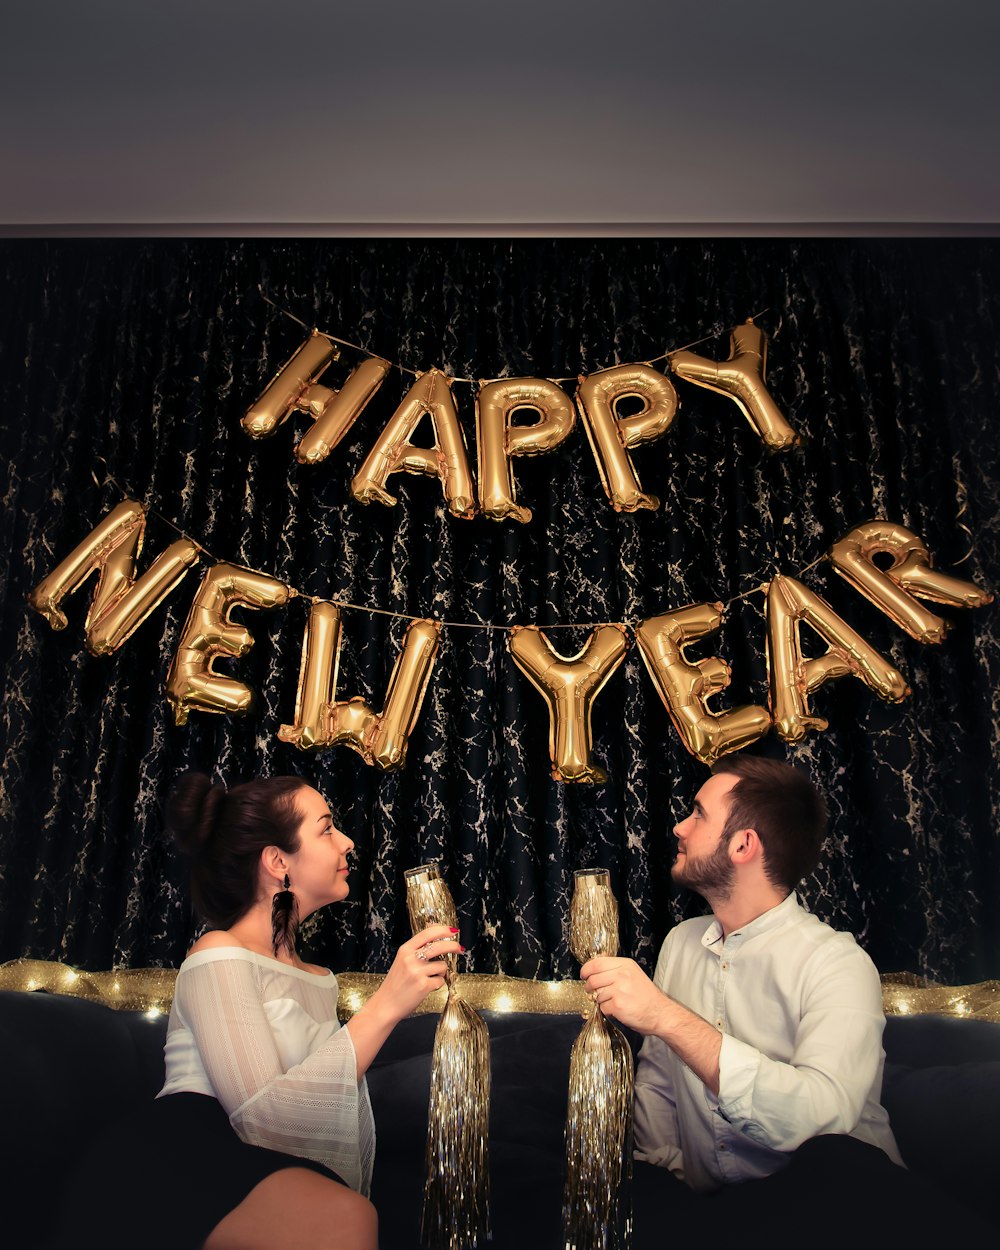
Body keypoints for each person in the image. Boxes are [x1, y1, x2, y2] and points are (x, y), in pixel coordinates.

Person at [48, 772, 461, 1250]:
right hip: (178, 1160)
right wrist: (388, 1003)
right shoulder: (217, 952)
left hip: (265, 1169)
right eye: (326, 828)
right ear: (277, 861)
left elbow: (321, 1117)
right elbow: (263, 1118)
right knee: (344, 1217)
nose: (347, 842)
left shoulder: (320, 979)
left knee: (351, 1213)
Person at [580, 754, 966, 1244]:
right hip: (718, 1213)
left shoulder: (836, 963)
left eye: (698, 813)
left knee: (836, 1164)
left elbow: (824, 1118)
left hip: (842, 1202)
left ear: (744, 844)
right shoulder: (680, 942)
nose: (679, 826)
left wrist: (666, 1016)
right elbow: (658, 1084)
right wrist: (667, 1176)